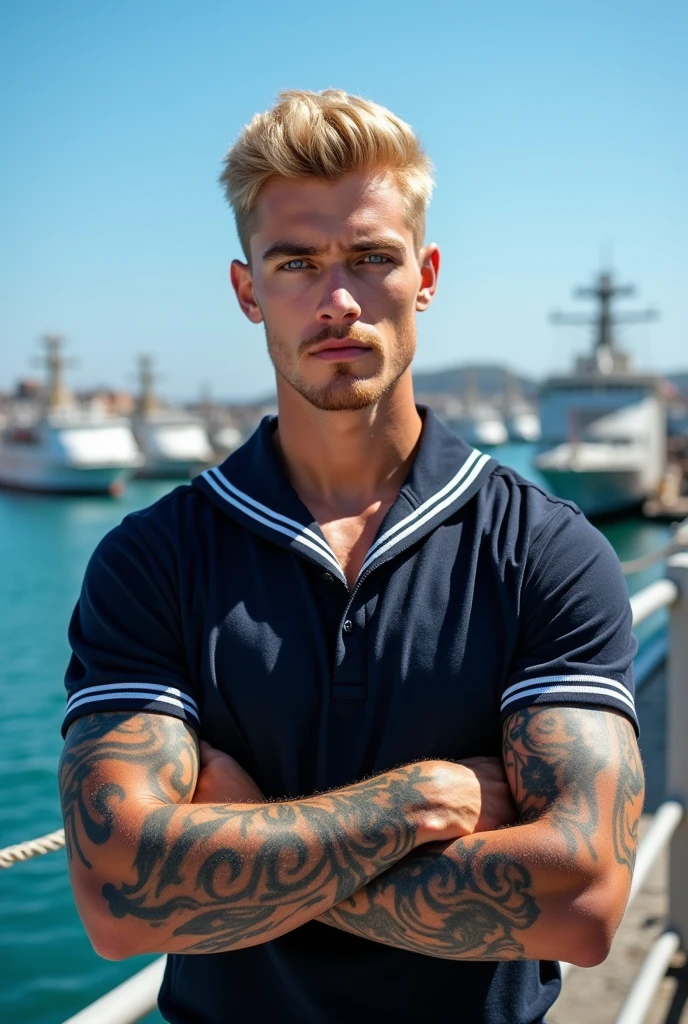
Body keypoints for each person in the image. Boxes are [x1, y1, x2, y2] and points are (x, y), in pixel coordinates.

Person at [58, 89, 644, 1024]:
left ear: (427, 273)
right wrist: (414, 804)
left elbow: (581, 907)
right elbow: (118, 901)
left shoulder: (547, 549)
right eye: (296, 263)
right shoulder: (152, 558)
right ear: (248, 289)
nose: (338, 301)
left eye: (373, 257)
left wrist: (239, 843)